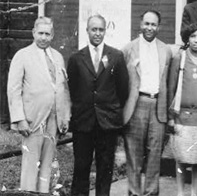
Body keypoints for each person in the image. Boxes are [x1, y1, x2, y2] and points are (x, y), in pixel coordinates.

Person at [8, 16, 71, 193]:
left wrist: (64, 117)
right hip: (33, 121)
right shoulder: (22, 55)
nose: (43, 37)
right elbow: (13, 90)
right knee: (30, 167)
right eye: (40, 33)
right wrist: (20, 119)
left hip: (53, 120)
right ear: (33, 33)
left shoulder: (58, 57)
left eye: (47, 34)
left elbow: (63, 89)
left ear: (53, 35)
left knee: (47, 167)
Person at [67, 15, 128, 196]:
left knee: (105, 168)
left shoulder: (116, 56)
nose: (97, 33)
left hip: (107, 123)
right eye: (94, 29)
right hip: (83, 123)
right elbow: (73, 89)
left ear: (105, 31)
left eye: (101, 30)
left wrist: (111, 112)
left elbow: (122, 90)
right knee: (81, 167)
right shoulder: (76, 58)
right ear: (87, 31)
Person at [122, 10, 173, 196]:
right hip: (137, 105)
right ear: (141, 24)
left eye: (153, 24)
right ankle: (134, 193)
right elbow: (122, 82)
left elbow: (169, 82)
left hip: (157, 105)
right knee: (134, 154)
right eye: (147, 24)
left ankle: (151, 193)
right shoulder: (129, 49)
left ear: (158, 27)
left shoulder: (166, 50)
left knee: (154, 155)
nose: (150, 28)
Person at [167, 28, 197, 196]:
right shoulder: (180, 57)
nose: (196, 40)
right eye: (193, 36)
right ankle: (180, 192)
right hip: (182, 116)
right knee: (181, 158)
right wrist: (171, 117)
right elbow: (171, 88)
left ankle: (193, 192)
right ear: (187, 39)